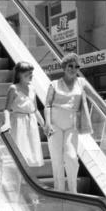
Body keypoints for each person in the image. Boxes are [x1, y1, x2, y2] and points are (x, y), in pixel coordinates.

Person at [44, 53, 93, 193]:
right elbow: (47, 105)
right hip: (55, 125)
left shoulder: (81, 82)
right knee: (57, 159)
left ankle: (73, 191)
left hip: (72, 126)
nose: (73, 69)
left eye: (76, 66)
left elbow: (95, 97)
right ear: (64, 67)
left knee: (71, 157)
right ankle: (59, 190)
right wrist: (47, 124)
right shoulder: (54, 84)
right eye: (70, 66)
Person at [0, 62, 46, 168]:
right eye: (27, 74)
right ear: (19, 74)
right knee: (20, 152)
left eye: (31, 73)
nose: (31, 76)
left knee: (30, 155)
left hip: (31, 122)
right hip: (18, 122)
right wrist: (7, 123)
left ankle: (24, 181)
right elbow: (7, 109)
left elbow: (35, 110)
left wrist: (44, 125)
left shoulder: (32, 88)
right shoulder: (13, 88)